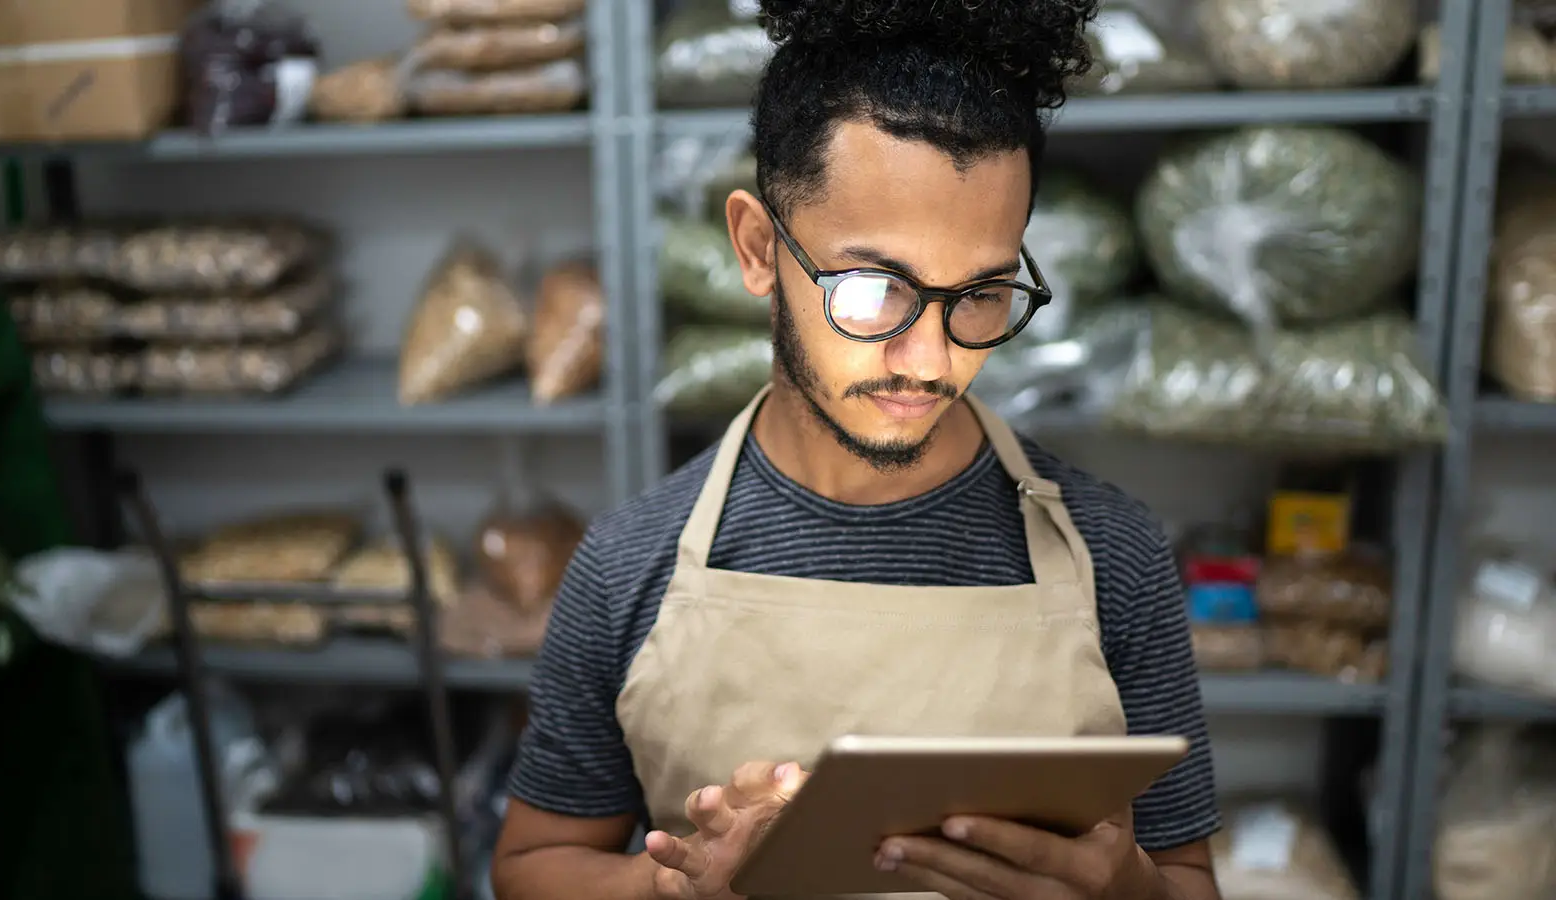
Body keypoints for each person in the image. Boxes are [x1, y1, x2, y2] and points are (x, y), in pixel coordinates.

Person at [492, 0, 1223, 897]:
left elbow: (1188, 880)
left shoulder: (1117, 553)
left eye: (982, 294)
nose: (933, 359)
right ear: (758, 248)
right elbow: (529, 869)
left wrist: (1124, 888)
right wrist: (676, 887)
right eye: (876, 288)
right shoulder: (627, 564)